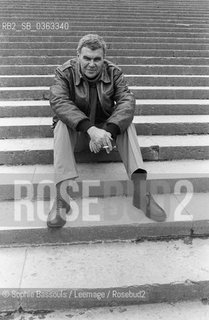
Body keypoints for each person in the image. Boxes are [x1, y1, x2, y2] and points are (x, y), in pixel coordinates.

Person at [47, 34, 166, 228]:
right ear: (78, 56)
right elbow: (59, 101)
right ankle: (62, 199)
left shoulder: (114, 73)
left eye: (97, 59)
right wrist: (90, 130)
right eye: (86, 58)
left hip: (106, 137)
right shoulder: (64, 72)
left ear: (104, 58)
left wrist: (108, 131)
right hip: (77, 135)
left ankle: (141, 193)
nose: (91, 64)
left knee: (127, 124)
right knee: (61, 123)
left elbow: (127, 102)